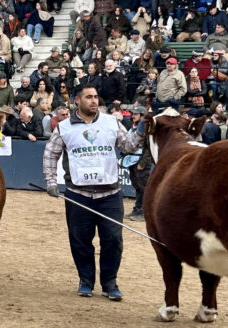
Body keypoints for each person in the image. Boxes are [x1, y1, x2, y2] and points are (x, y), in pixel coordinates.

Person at [43, 83, 141, 301]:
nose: (94, 100)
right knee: (80, 240)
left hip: (110, 194)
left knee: (113, 240)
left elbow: (128, 146)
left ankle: (110, 283)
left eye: (96, 96)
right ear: (77, 100)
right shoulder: (64, 127)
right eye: (88, 97)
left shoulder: (111, 122)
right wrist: (50, 181)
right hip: (78, 194)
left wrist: (140, 132)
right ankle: (86, 281)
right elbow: (50, 153)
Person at [122, 107, 152, 222]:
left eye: (135, 114)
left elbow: (148, 148)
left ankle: (144, 212)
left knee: (143, 187)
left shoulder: (146, 128)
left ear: (142, 115)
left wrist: (143, 163)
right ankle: (138, 209)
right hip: (132, 159)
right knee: (137, 186)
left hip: (140, 160)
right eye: (132, 114)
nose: (132, 116)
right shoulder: (133, 127)